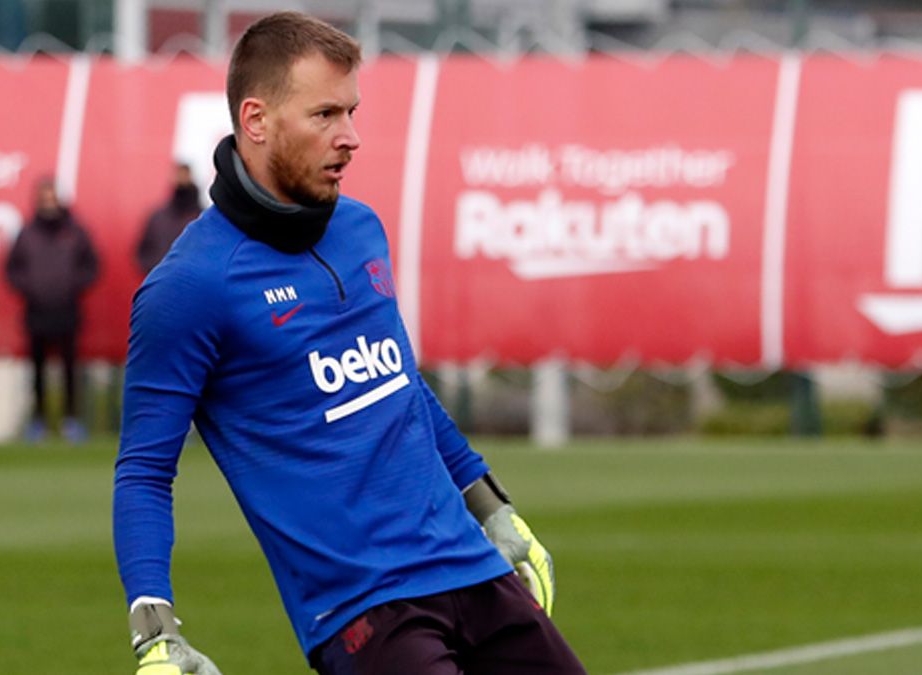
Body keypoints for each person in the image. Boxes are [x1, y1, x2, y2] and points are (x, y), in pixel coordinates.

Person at [113, 12, 585, 675]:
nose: (351, 137)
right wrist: (155, 633)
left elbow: (403, 388)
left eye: (352, 112)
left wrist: (493, 509)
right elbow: (143, 470)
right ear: (256, 120)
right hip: (365, 613)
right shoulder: (190, 287)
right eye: (326, 115)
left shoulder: (362, 229)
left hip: (474, 571)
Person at [6, 178, 99, 443]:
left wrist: (72, 286)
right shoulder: (27, 233)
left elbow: (92, 266)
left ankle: (71, 420)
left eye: (52, 198)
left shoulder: (75, 232)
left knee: (70, 368)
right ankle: (39, 420)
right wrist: (30, 288)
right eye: (44, 198)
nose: (48, 203)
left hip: (67, 309)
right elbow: (12, 269)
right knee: (37, 370)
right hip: (36, 311)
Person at [135, 163, 202, 275]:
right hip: (161, 281)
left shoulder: (202, 218)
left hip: (195, 283)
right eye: (179, 175)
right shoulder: (157, 217)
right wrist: (155, 270)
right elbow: (142, 253)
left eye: (185, 175)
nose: (182, 179)